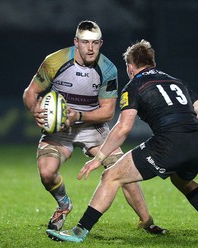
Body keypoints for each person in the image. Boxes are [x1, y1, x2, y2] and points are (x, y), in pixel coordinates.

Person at [46, 39, 198, 243]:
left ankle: (79, 232)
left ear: (130, 67)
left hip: (169, 143)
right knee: (182, 180)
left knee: (111, 176)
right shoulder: (176, 82)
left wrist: (100, 157)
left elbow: (123, 127)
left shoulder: (134, 85)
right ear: (153, 63)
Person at [22, 21, 166, 236]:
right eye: (85, 42)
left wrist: (78, 115)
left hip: (93, 128)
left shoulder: (107, 69)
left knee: (122, 170)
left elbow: (108, 112)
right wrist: (34, 109)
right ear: (76, 42)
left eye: (95, 43)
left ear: (100, 43)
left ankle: (147, 221)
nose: (90, 48)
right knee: (47, 173)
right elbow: (30, 92)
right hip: (59, 127)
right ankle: (64, 204)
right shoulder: (55, 61)